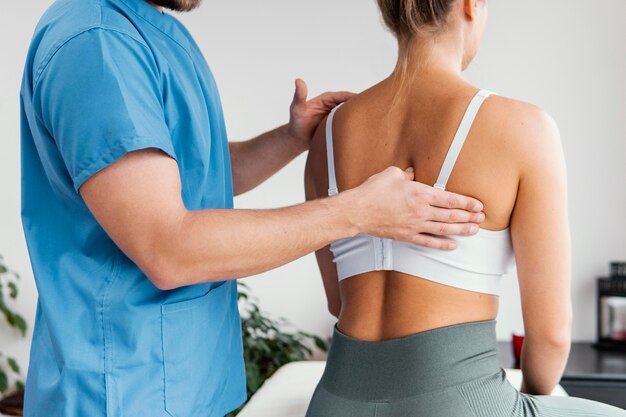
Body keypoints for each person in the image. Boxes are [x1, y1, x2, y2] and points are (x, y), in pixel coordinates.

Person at [19, 0, 487, 416]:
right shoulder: (99, 46)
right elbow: (167, 248)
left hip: (184, 383)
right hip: (120, 389)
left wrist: (287, 139)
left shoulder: (159, 33)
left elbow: (186, 178)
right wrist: (357, 211)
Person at [304, 0, 626, 416]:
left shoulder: (325, 135)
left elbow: (338, 303)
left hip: (334, 402)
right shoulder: (524, 128)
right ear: (471, 5)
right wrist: (532, 398)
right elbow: (550, 336)